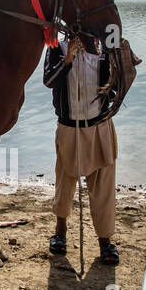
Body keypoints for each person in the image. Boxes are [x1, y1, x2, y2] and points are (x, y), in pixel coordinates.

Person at [44, 33, 124, 265]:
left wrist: (121, 61)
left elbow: (116, 85)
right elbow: (49, 80)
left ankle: (105, 241)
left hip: (100, 126)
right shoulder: (57, 46)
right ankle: (60, 232)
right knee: (65, 181)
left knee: (103, 186)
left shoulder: (104, 49)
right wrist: (67, 59)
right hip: (69, 127)